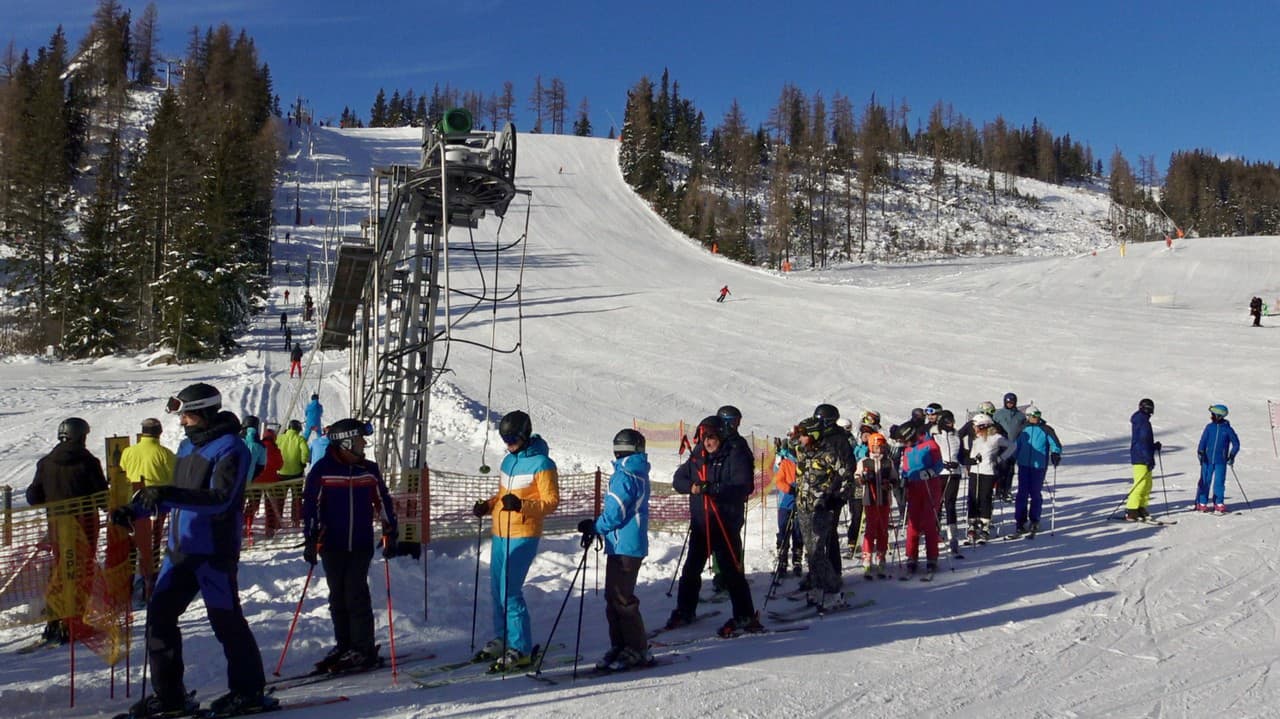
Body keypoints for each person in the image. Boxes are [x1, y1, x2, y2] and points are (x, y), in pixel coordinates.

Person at [109, 383, 271, 717]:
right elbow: (174, 497)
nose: (182, 421)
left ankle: (249, 691)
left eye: (188, 414)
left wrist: (165, 493)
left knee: (226, 621)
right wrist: (135, 510)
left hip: (213, 551)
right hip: (180, 551)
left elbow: (221, 500)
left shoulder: (232, 448)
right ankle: (171, 697)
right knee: (159, 617)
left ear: (206, 412)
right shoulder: (185, 448)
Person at [302, 418, 398, 673]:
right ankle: (344, 645)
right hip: (332, 544)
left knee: (355, 593)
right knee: (337, 595)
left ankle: (363, 648)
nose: (364, 444)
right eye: (359, 440)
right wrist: (310, 538)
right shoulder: (323, 469)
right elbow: (310, 505)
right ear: (345, 443)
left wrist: (391, 529)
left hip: (360, 543)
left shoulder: (368, 469)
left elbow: (383, 501)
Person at [470, 410, 560, 670]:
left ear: (525, 433)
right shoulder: (508, 462)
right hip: (500, 532)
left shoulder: (543, 464)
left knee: (510, 591)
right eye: (504, 438)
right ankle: (504, 637)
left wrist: (521, 505)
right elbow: (502, 496)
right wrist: (487, 506)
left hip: (523, 534)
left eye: (512, 437)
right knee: (497, 589)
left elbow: (550, 502)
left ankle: (520, 648)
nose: (508, 443)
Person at [668, 416, 762, 637]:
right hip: (702, 524)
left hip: (725, 522)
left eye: (711, 437)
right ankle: (685, 610)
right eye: (704, 438)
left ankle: (744, 615)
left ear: (720, 435)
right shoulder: (698, 455)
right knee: (691, 570)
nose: (708, 442)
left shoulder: (734, 453)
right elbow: (678, 480)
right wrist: (692, 487)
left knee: (732, 571)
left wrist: (714, 487)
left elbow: (743, 486)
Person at [26, 417, 108, 646]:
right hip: (84, 526)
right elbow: (102, 496)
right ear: (81, 436)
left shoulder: (46, 462)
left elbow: (34, 496)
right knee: (81, 572)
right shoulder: (88, 462)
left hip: (57, 525)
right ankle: (74, 624)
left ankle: (55, 620)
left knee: (60, 571)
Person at [578, 428, 652, 671]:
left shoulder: (624, 475)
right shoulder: (635, 471)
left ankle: (636, 648)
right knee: (614, 597)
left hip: (625, 546)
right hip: (623, 544)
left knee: (621, 598)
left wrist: (595, 526)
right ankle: (621, 645)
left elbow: (615, 511)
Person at [791, 416, 848, 607]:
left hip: (820, 507)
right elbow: (788, 445)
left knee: (817, 552)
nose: (800, 438)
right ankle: (817, 586)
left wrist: (835, 496)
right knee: (810, 551)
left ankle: (834, 591)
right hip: (802, 506)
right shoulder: (801, 451)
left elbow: (846, 474)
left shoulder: (828, 453)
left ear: (814, 435)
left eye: (804, 435)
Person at [119, 418, 176, 599]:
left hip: (132, 504)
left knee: (133, 544)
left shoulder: (128, 452)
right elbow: (174, 478)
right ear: (159, 432)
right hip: (157, 506)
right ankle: (149, 584)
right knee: (154, 543)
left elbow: (122, 471)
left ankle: (127, 584)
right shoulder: (165, 454)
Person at [896, 419, 944, 576]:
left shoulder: (930, 444)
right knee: (913, 523)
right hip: (914, 487)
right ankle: (912, 556)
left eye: (905, 440)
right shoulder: (908, 449)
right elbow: (905, 467)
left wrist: (930, 472)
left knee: (929, 522)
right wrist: (903, 477)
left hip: (929, 486)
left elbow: (939, 464)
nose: (905, 444)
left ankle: (932, 557)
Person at [965, 413, 1014, 543]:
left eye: (976, 426)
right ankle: (972, 524)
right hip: (974, 471)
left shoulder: (995, 437)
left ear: (983, 426)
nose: (974, 429)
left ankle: (985, 526)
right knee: (972, 497)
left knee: (984, 498)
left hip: (988, 472)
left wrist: (1000, 458)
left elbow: (1012, 446)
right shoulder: (976, 437)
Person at [1013, 406, 1062, 535]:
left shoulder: (1046, 429)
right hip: (1023, 465)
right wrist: (1011, 458)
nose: (1036, 418)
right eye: (1034, 416)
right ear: (1028, 416)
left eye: (1038, 415)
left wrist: (1055, 454)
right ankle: (1020, 521)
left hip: (1038, 466)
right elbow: (1014, 445)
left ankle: (1035, 520)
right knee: (1022, 493)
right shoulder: (1022, 429)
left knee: (1035, 493)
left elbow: (1055, 444)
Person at [856, 432, 898, 579]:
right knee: (870, 528)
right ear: (870, 446)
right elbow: (856, 478)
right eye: (876, 446)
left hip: (884, 500)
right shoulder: (864, 461)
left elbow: (895, 479)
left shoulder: (888, 462)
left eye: (881, 446)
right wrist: (863, 479)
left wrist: (890, 483)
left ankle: (881, 555)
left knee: (882, 528)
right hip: (870, 499)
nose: (878, 449)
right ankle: (867, 557)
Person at [931, 410, 965, 555]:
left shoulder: (957, 437)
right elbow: (932, 455)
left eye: (952, 421)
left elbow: (962, 457)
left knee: (950, 503)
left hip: (955, 474)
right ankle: (934, 533)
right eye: (948, 421)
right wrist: (942, 465)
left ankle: (953, 538)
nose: (951, 424)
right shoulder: (936, 437)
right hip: (940, 474)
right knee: (937, 503)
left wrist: (969, 462)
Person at [1196, 404, 1241, 513]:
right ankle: (1202, 503)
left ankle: (1219, 503)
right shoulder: (1209, 427)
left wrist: (1231, 456)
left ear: (1219, 416)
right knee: (1205, 481)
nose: (1211, 416)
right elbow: (1203, 441)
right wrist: (1200, 452)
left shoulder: (1227, 429)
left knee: (1219, 482)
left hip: (1221, 461)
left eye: (1213, 415)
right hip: (1207, 460)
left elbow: (1236, 444)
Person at [245, 427, 284, 539]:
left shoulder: (259, 446)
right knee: (270, 506)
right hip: (271, 482)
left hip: (256, 480)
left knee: (252, 505)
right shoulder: (275, 450)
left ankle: (246, 527)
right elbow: (280, 465)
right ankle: (270, 529)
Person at [1126, 398, 1162, 521]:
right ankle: (1131, 510)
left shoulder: (1143, 420)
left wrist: (1153, 447)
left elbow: (1145, 442)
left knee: (1147, 484)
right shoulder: (1142, 422)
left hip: (1143, 456)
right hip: (1140, 457)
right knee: (1140, 484)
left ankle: (1141, 507)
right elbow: (1142, 442)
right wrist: (1148, 458)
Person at [772, 438, 803, 578]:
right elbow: (779, 481)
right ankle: (782, 559)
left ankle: (797, 559)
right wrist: (789, 488)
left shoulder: (805, 463)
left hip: (800, 503)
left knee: (798, 531)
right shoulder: (786, 463)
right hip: (786, 502)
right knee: (784, 530)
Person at [992, 393, 1027, 502]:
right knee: (1000, 469)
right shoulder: (998, 414)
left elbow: (1023, 430)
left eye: (1012, 402)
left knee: (1010, 470)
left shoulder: (1020, 416)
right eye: (1008, 402)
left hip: (1014, 446)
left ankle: (1007, 491)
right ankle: (998, 491)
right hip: (1001, 445)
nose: (1010, 404)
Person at [277, 419, 310, 526]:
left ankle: (278, 519)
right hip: (296, 473)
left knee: (280, 497)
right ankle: (295, 520)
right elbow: (305, 452)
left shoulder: (280, 438)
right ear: (299, 429)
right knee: (296, 497)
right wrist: (303, 462)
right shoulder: (300, 439)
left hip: (281, 472)